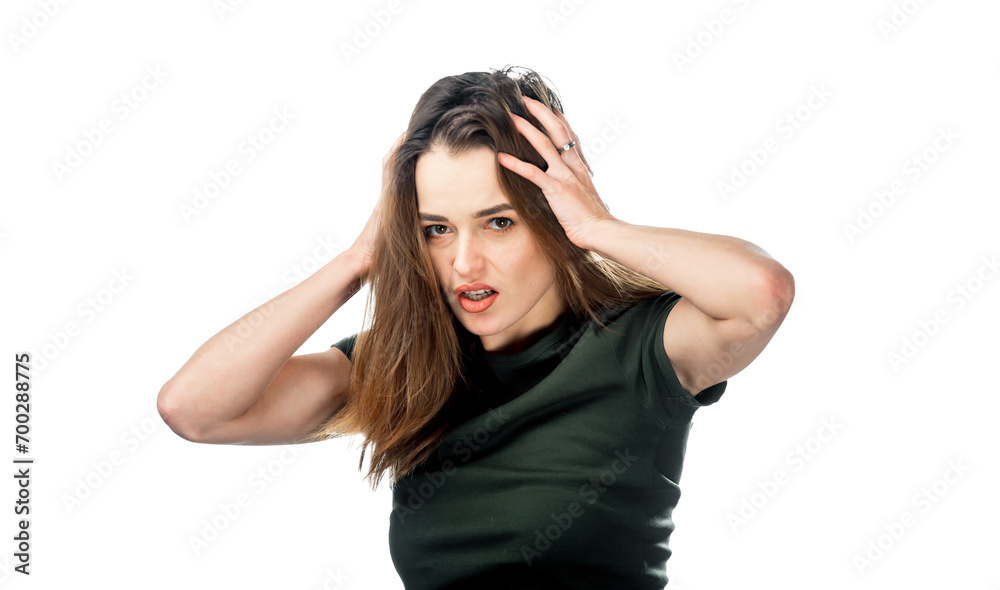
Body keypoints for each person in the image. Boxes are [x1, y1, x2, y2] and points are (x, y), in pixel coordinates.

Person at [157, 65, 794, 589]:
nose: (464, 263)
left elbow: (761, 294)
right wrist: (358, 261)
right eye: (437, 229)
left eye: (498, 222)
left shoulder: (642, 346)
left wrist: (599, 229)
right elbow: (195, 409)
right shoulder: (406, 366)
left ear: (553, 215)